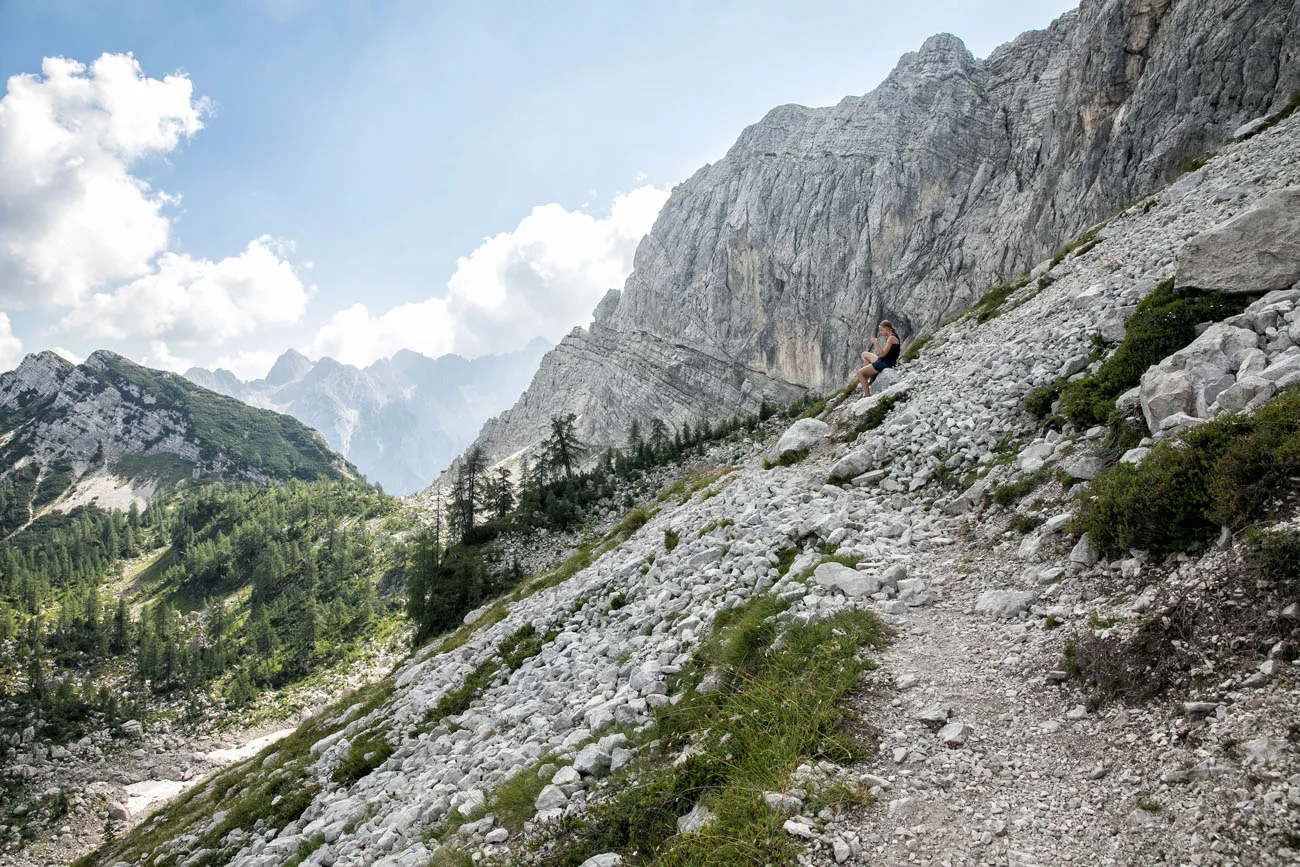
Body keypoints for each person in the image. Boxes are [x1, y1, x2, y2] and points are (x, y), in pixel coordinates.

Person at [857, 320, 901, 396]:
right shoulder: (892, 336)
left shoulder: (891, 338)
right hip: (885, 360)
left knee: (860, 373)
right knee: (864, 354)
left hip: (885, 363)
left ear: (887, 328)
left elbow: (882, 354)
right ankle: (873, 375)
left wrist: (876, 343)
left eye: (881, 330)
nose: (880, 332)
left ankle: (867, 395)